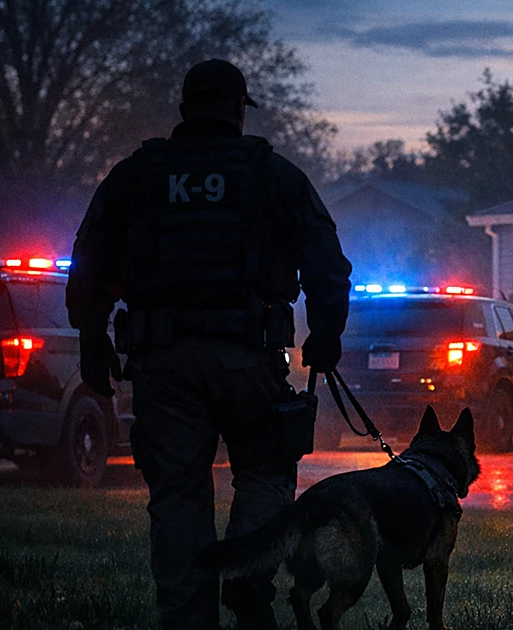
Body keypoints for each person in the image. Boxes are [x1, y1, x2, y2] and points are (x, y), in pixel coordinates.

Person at [66, 59, 352, 629]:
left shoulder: (137, 176)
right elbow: (326, 262)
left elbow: (89, 261)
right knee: (267, 473)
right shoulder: (273, 174)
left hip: (162, 365)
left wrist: (92, 340)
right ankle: (248, 577)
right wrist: (325, 335)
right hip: (248, 357)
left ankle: (185, 617)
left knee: (177, 495)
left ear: (183, 110)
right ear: (238, 110)